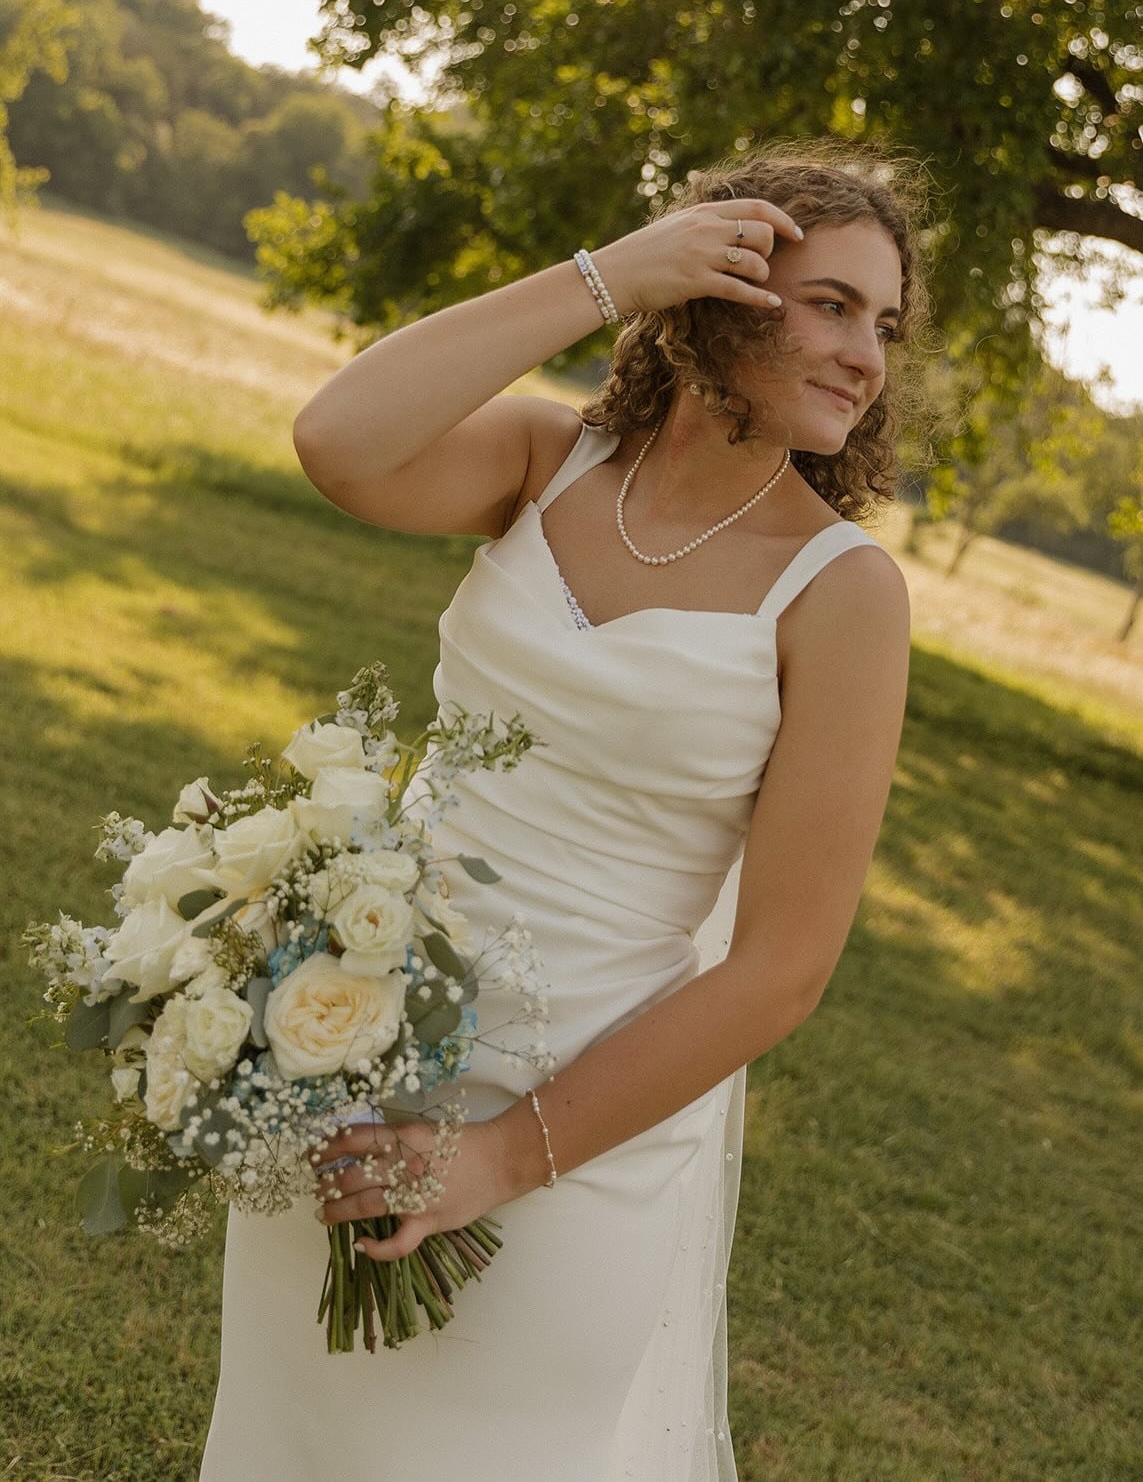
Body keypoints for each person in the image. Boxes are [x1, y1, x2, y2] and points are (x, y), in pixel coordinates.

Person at [199, 142, 922, 1482]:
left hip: (582, 1125)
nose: (867, 352)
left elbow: (782, 969)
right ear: (723, 284)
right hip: (354, 1048)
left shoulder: (843, 594)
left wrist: (497, 1159)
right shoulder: (549, 460)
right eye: (830, 303)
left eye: (883, 322)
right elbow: (337, 442)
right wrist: (611, 275)